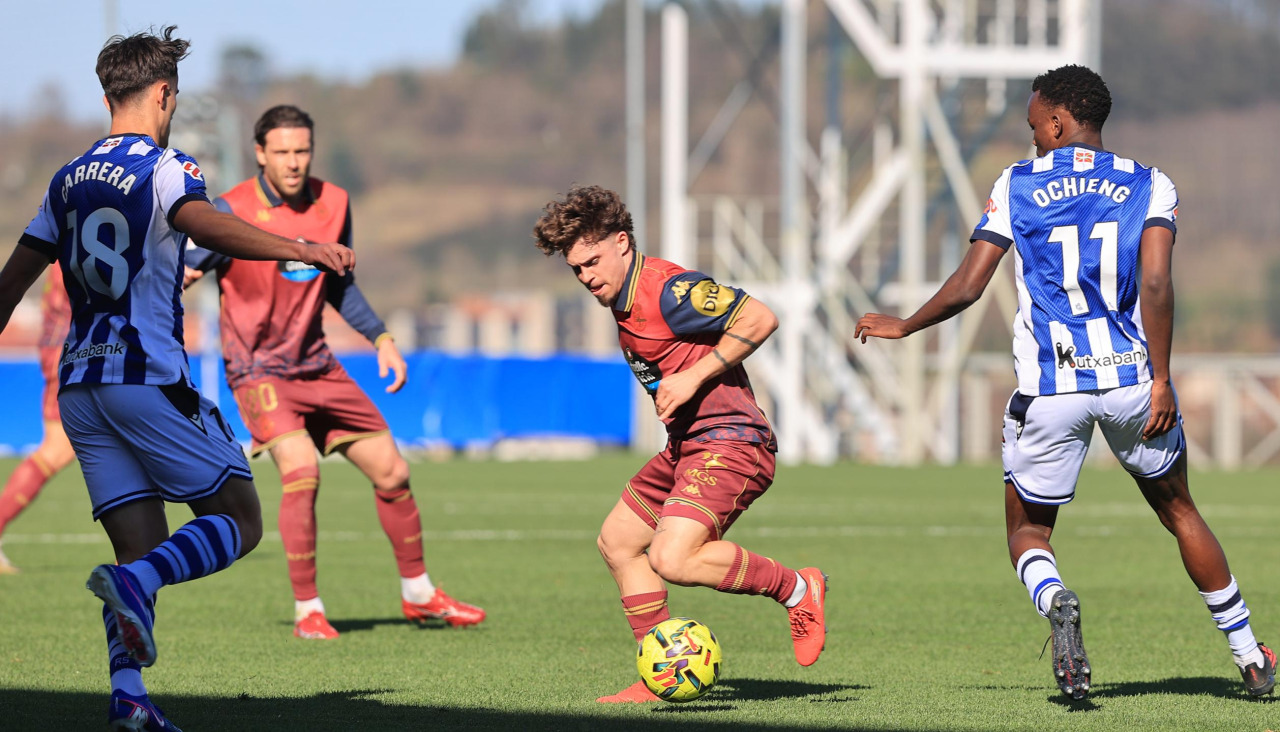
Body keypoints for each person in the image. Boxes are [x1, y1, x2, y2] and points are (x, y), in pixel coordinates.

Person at [854, 64, 1273, 700]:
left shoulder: (1017, 184)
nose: (1032, 140)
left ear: (1057, 118)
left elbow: (970, 285)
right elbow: (1156, 284)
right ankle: (1251, 659)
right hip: (1134, 382)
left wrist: (906, 325)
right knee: (1181, 510)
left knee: (1028, 530)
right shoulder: (1150, 183)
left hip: (1051, 390)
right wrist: (1161, 379)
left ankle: (1056, 600)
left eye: (1033, 126)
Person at [0, 27, 355, 730]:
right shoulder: (167, 168)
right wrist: (301, 246)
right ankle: (138, 586)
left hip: (80, 387)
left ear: (107, 96)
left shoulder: (66, 180)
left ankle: (128, 696)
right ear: (164, 95)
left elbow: (12, 281)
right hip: (146, 377)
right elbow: (203, 223)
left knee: (137, 542)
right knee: (241, 518)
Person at [183, 104, 484, 640]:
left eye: (302, 151)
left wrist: (382, 339)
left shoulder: (335, 203)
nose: (294, 162)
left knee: (393, 472)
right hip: (258, 371)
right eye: (282, 152)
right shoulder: (229, 209)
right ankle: (308, 612)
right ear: (260, 154)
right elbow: (186, 269)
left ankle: (418, 595)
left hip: (318, 363)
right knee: (303, 471)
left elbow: (340, 284)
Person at [533, 185, 827, 703]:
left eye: (592, 261)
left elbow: (761, 317)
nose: (586, 277)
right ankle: (661, 672)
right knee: (619, 542)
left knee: (673, 558)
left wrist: (695, 378)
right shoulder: (622, 299)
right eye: (576, 269)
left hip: (733, 441)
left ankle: (799, 589)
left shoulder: (669, 290)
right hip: (686, 446)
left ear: (622, 242)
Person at [0, 265, 76, 574]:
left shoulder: (64, 229)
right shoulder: (86, 228)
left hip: (62, 347)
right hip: (74, 352)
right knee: (58, 449)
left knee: (59, 448)